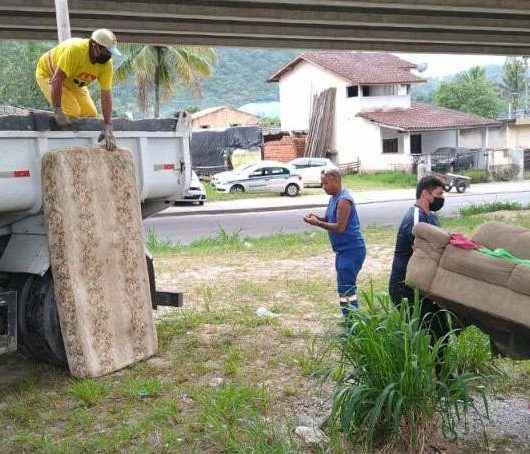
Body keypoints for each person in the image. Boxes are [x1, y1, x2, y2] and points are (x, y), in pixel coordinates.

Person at [35, 29, 122, 150]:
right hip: (50, 74)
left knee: (91, 114)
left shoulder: (107, 65)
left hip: (74, 82)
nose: (108, 55)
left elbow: (106, 94)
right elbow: (57, 80)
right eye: (106, 51)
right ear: (94, 45)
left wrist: (108, 125)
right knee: (72, 111)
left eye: (110, 52)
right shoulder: (75, 50)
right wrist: (58, 110)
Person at [304, 169, 366, 317]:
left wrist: (317, 223)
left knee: (347, 288)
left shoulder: (344, 200)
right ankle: (349, 320)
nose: (323, 186)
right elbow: (330, 220)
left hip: (352, 250)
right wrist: (317, 218)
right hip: (342, 251)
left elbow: (339, 227)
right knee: (343, 288)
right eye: (322, 183)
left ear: (336, 181)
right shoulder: (334, 198)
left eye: (325, 183)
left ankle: (354, 323)